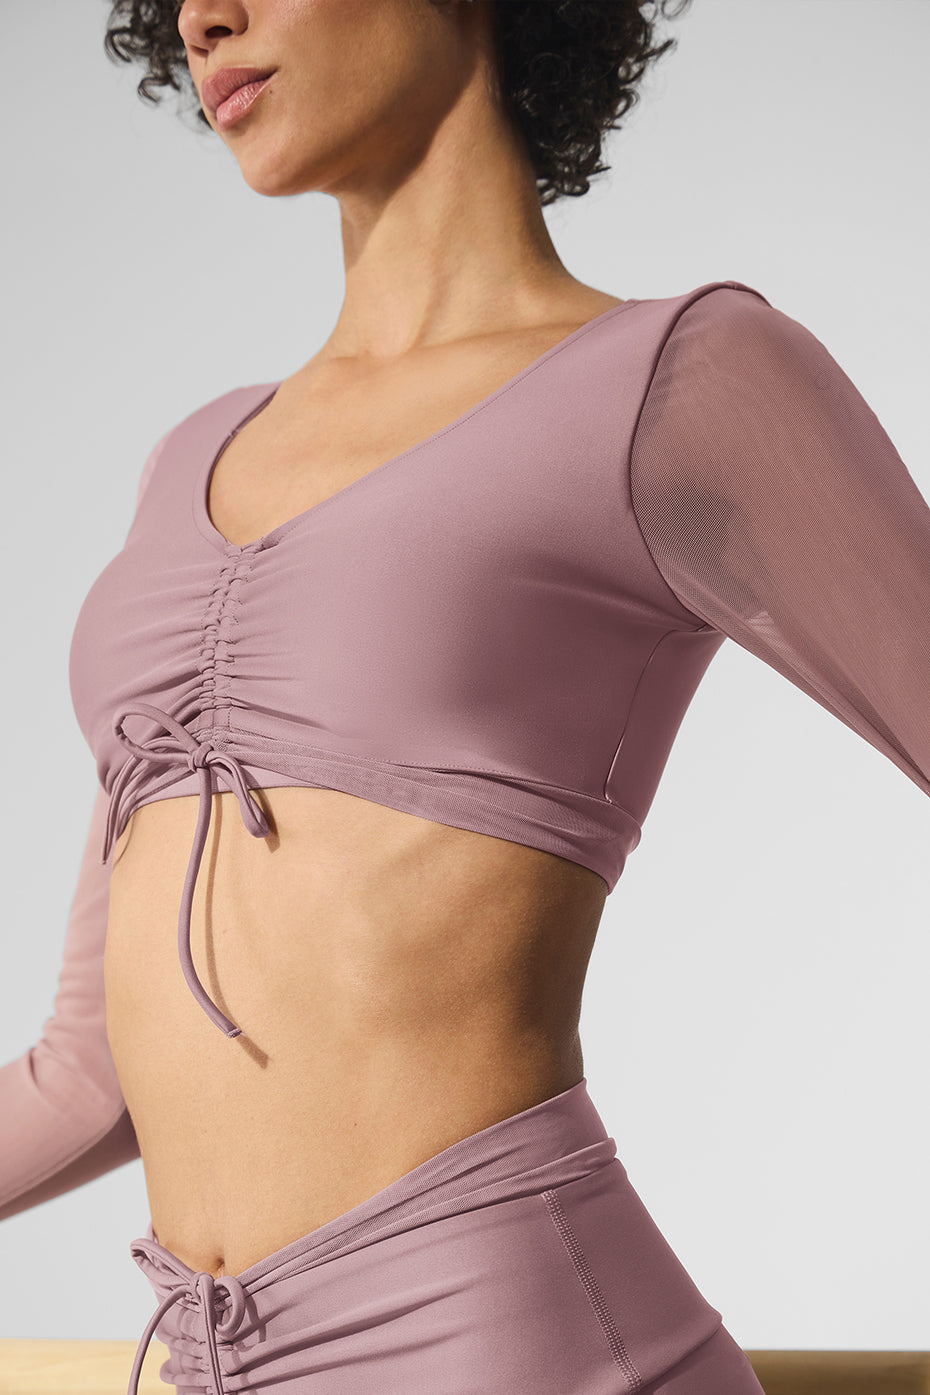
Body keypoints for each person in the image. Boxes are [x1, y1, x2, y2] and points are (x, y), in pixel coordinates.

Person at [2, 1, 928, 1391]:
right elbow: (92, 1074)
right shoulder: (191, 454)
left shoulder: (676, 382)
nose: (202, 17)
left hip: (521, 1355)